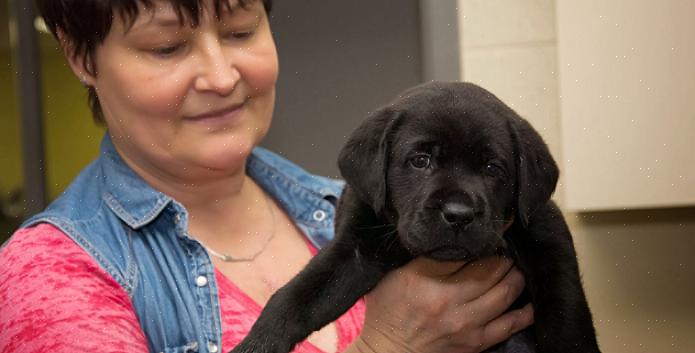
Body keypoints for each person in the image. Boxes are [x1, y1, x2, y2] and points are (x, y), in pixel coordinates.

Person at [0, 1, 534, 352]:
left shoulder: (348, 208)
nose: (221, 75)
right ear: (80, 56)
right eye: (166, 47)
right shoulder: (50, 275)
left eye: (240, 31)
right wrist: (386, 346)